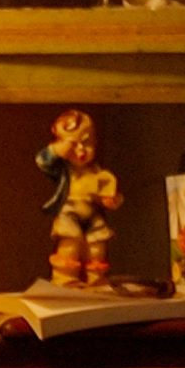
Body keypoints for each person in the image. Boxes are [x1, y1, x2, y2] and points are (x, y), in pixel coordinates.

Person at [36, 108, 122, 286]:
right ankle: (66, 278)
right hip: (69, 211)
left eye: (86, 142)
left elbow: (105, 193)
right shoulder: (64, 170)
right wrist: (58, 149)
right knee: (70, 244)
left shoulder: (97, 172)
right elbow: (43, 161)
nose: (81, 150)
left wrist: (111, 201)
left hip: (92, 213)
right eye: (73, 145)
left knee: (97, 248)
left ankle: (96, 280)